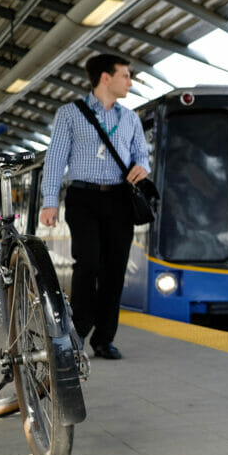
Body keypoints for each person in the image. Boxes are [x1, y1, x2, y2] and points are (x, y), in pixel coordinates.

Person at [39, 54, 150, 360]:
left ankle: (104, 339)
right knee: (87, 263)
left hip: (120, 199)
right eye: (125, 76)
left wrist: (143, 166)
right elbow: (56, 159)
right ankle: (78, 331)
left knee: (115, 270)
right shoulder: (70, 114)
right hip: (83, 197)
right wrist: (49, 202)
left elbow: (142, 155)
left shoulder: (130, 118)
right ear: (105, 77)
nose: (130, 83)